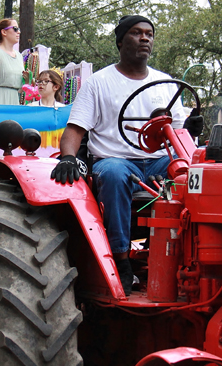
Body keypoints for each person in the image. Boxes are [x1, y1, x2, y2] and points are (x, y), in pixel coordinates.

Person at [50, 15, 188, 296]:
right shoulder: (99, 83)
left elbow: (180, 134)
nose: (145, 38)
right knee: (113, 174)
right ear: (120, 41)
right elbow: (75, 130)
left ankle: (186, 257)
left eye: (149, 33)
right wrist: (67, 157)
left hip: (159, 161)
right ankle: (122, 263)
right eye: (137, 33)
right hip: (115, 160)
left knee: (194, 174)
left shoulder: (165, 83)